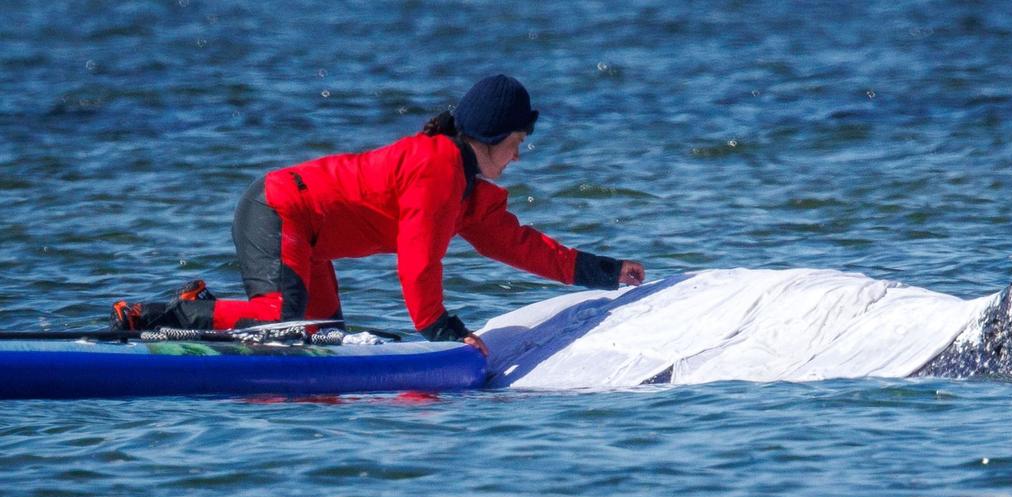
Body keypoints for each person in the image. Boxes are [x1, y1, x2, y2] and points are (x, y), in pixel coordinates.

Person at [110, 74, 645, 354]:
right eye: (517, 143)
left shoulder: (466, 188)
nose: (518, 157)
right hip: (277, 210)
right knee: (285, 322)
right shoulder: (436, 168)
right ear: (490, 138)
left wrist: (603, 272)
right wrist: (441, 330)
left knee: (317, 340)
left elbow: (519, 245)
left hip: (308, 237)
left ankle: (212, 321)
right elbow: (417, 262)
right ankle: (167, 317)